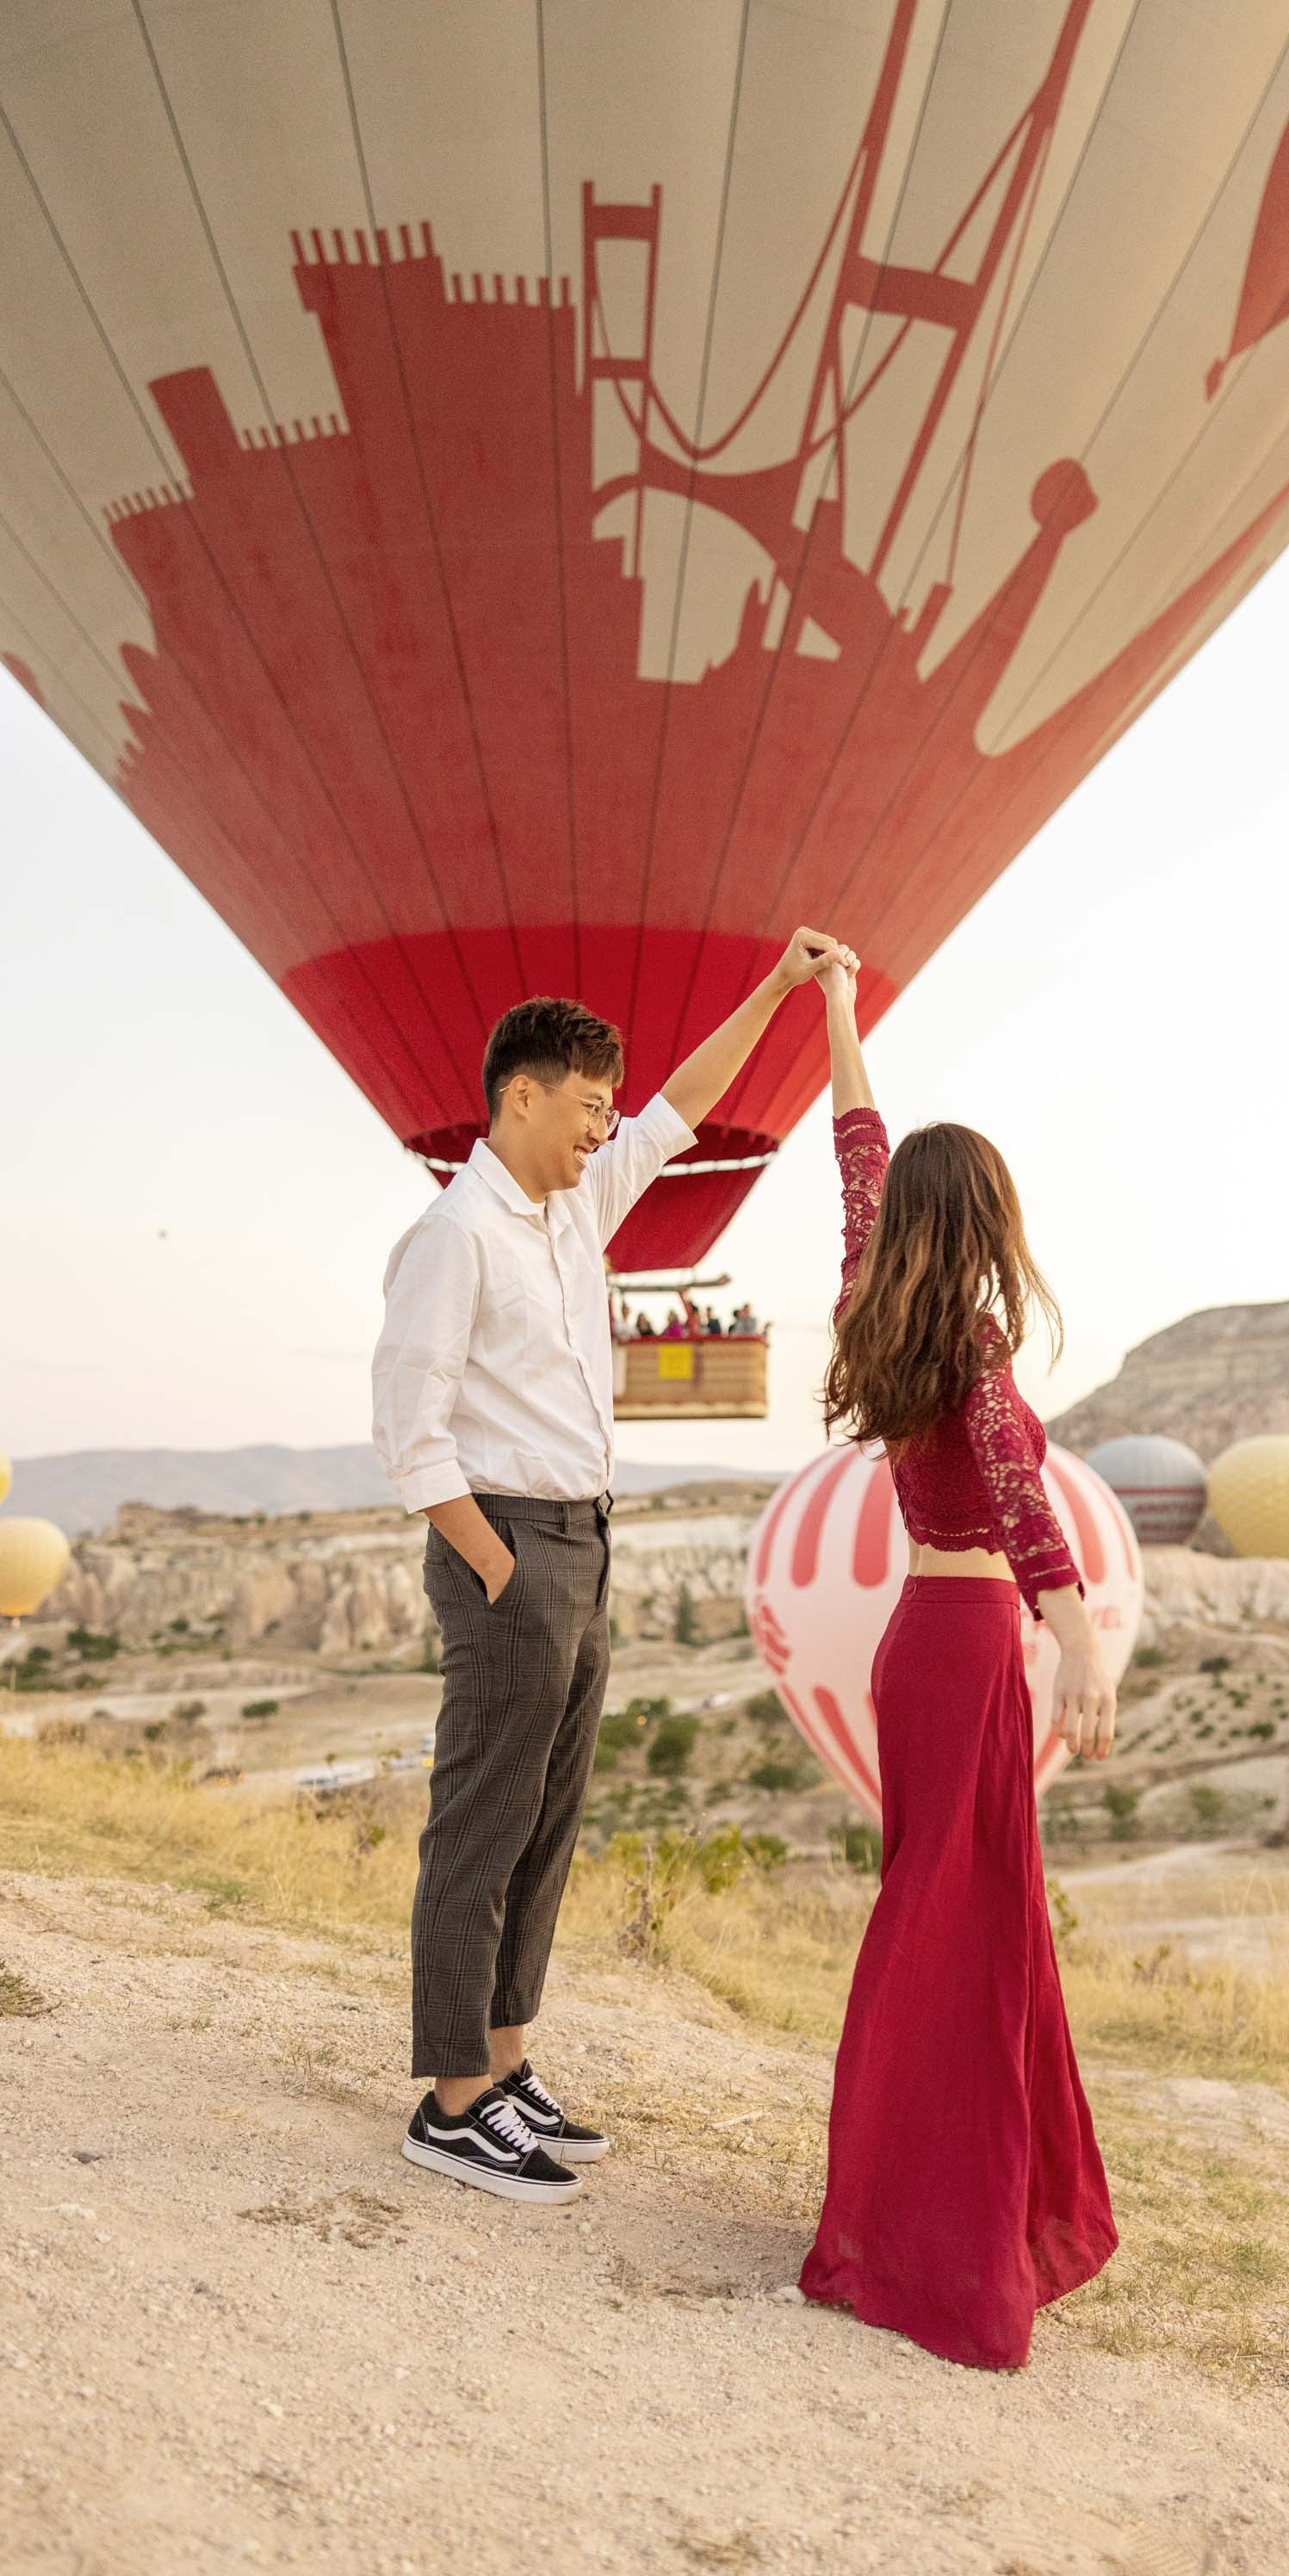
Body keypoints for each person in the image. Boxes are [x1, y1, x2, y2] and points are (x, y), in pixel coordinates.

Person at [372, 931, 847, 2205]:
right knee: (481, 1820)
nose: (604, 1131)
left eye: (607, 1112)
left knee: (547, 1818)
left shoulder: (575, 1205)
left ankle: (504, 2062)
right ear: (521, 1097)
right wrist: (497, 1569)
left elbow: (684, 1106)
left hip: (583, 1537)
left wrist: (780, 987)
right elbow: (409, 1434)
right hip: (508, 1542)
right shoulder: (454, 1237)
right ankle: (450, 2103)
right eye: (587, 1108)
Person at [797, 949, 1119, 2367]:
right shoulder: (975, 1349)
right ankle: (946, 2240)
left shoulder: (875, 1310)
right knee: (966, 1939)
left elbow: (855, 1158)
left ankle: (907, 2211)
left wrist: (837, 1011)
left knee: (935, 1924)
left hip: (912, 1643)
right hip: (975, 1643)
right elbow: (1022, 1504)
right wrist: (1082, 1646)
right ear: (986, 1221)